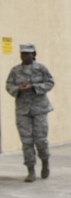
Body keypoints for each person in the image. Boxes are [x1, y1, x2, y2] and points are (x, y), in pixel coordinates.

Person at [5, 43, 55, 182]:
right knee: (26, 142)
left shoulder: (41, 68)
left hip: (39, 109)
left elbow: (50, 82)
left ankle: (45, 162)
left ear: (34, 54)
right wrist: (18, 89)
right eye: (23, 53)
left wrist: (34, 87)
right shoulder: (15, 70)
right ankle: (30, 170)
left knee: (40, 140)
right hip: (22, 110)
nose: (25, 56)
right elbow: (9, 85)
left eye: (28, 53)